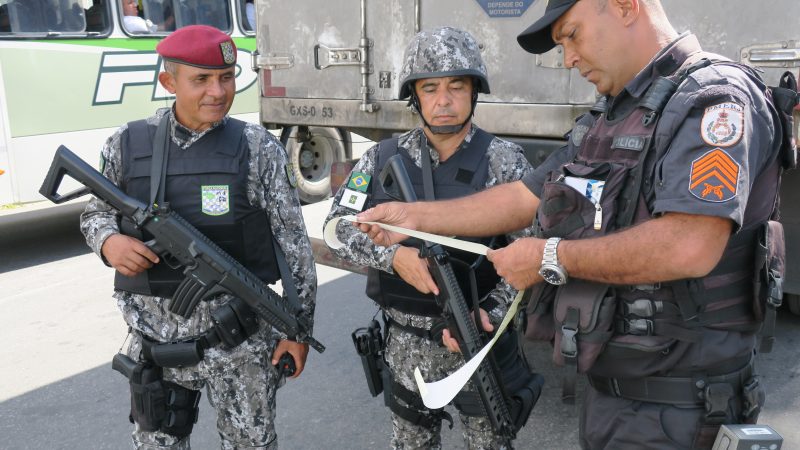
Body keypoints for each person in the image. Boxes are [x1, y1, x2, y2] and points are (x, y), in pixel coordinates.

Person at [356, 1, 791, 449]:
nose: (568, 58)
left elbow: (690, 244)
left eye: (572, 34)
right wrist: (414, 218)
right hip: (614, 395)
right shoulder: (612, 116)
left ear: (624, 6)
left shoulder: (714, 100)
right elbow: (524, 197)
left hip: (684, 406)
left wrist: (549, 257)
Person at [80, 25, 317, 449]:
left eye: (226, 77)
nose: (218, 91)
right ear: (168, 82)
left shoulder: (258, 149)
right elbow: (96, 212)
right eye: (201, 79)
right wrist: (108, 242)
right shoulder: (127, 144)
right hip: (154, 344)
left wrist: (297, 331)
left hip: (239, 343)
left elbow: (294, 247)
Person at [325, 26, 540, 450]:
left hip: (476, 345)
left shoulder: (503, 161)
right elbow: (337, 227)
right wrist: (394, 259)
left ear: (474, 92)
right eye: (430, 88)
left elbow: (532, 254)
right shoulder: (382, 158)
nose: (444, 100)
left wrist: (490, 314)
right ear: (415, 96)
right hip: (405, 347)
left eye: (456, 87)